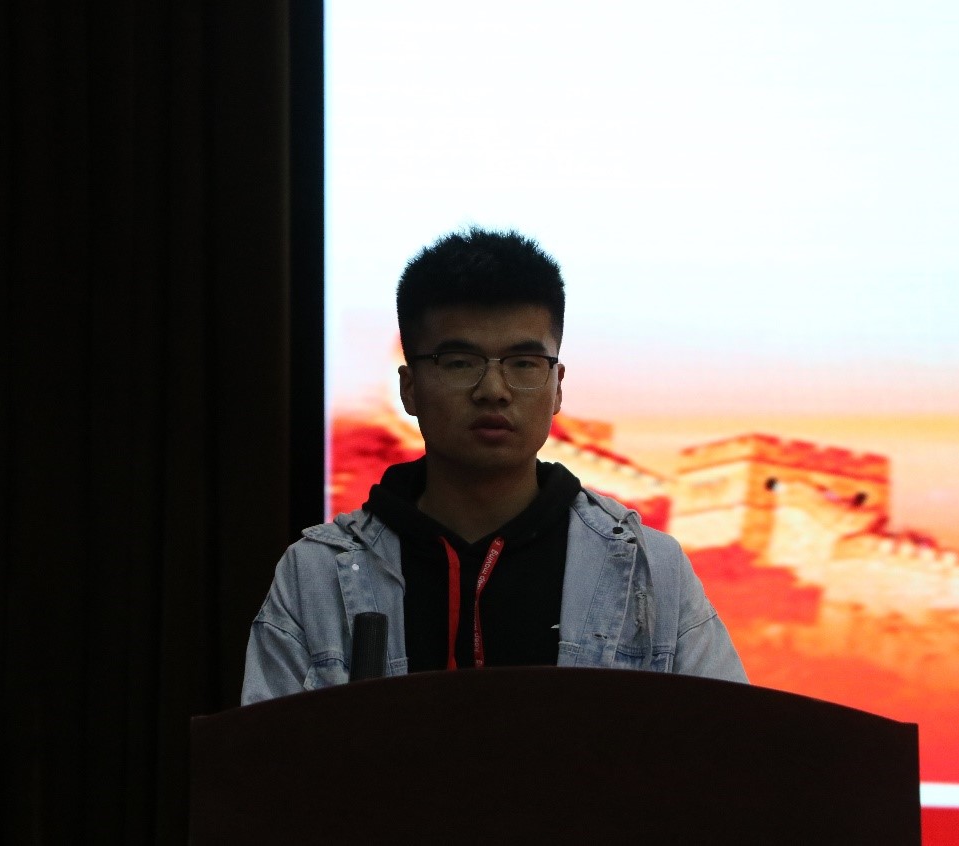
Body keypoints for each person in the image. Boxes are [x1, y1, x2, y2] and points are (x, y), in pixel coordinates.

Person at [242, 228, 746, 702]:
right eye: (460, 362)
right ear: (409, 388)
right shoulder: (315, 575)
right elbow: (270, 759)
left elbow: (728, 745)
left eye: (524, 363)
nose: (493, 390)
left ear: (558, 387)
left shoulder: (649, 569)